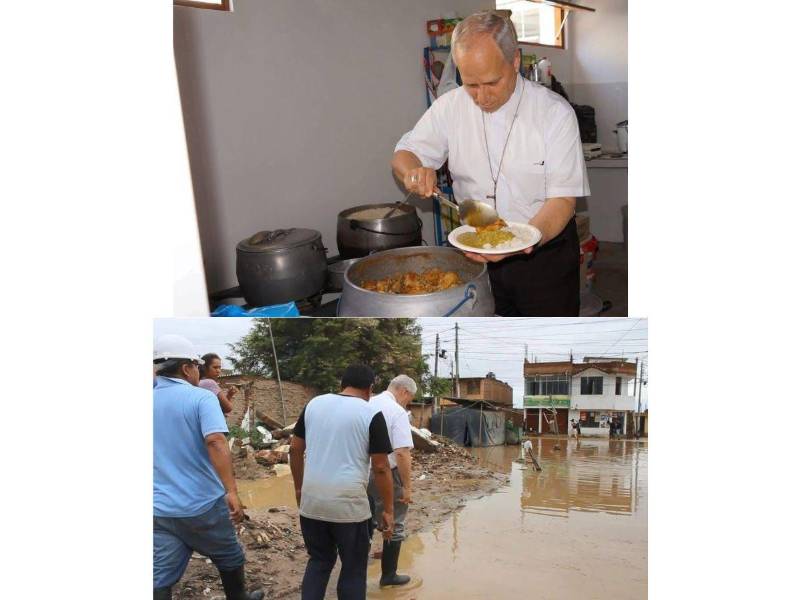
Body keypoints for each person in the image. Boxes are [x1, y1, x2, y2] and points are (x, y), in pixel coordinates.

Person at [391, 10, 589, 316]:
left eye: (492, 82)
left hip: (543, 255)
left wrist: (521, 241)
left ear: (515, 61)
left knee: (548, 340)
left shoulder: (554, 113)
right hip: (476, 252)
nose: (482, 97)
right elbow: (404, 154)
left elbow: (563, 200)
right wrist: (413, 173)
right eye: (471, 84)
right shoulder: (450, 107)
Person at [153, 335, 263, 600]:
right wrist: (232, 491)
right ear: (186, 368)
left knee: (160, 576)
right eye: (196, 366)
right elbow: (215, 441)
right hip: (201, 503)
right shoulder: (202, 398)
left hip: (159, 508)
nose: (198, 371)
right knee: (230, 557)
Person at [289, 364, 396, 600]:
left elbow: (295, 450)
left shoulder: (313, 405)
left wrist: (299, 488)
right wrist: (388, 510)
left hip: (312, 501)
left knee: (319, 561)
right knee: (353, 569)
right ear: (370, 389)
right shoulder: (371, 414)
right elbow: (381, 467)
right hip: (349, 506)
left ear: (342, 384)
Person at [367, 375, 417, 587]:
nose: (407, 404)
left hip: (361, 472)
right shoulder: (397, 412)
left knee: (366, 521)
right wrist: (407, 487)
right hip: (386, 473)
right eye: (409, 399)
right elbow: (402, 452)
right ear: (404, 391)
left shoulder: (367, 403)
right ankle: (389, 576)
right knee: (395, 522)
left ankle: (357, 571)